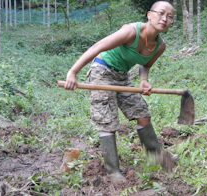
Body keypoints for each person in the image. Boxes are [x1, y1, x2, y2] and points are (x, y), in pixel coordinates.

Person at [64, 1, 174, 181]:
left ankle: (155, 157)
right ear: (149, 14)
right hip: (102, 71)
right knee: (107, 121)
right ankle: (113, 171)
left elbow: (145, 65)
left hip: (122, 76)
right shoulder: (131, 31)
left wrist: (144, 80)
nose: (165, 18)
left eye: (170, 16)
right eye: (161, 13)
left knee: (143, 114)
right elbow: (97, 47)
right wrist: (73, 72)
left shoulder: (160, 45)